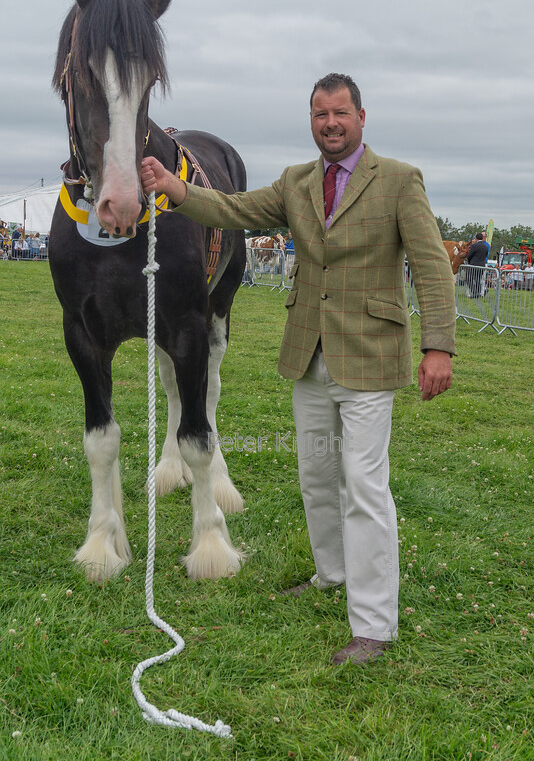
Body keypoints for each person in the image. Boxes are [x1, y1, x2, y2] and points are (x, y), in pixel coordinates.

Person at [141, 73, 456, 665]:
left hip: (370, 357)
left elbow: (432, 263)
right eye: (319, 114)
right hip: (308, 356)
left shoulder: (399, 180)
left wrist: (437, 344)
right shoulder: (295, 183)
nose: (330, 123)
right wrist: (176, 190)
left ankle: (374, 626)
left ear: (362, 116)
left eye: (340, 113)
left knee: (365, 487)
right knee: (315, 477)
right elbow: (232, 210)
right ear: (311, 120)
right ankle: (330, 574)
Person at [466, 233, 489, 297]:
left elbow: (469, 255)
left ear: (476, 238)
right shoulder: (486, 247)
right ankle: (478, 293)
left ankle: (474, 292)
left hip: (473, 265)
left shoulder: (474, 246)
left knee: (468, 278)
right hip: (482, 265)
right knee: (478, 280)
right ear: (482, 238)